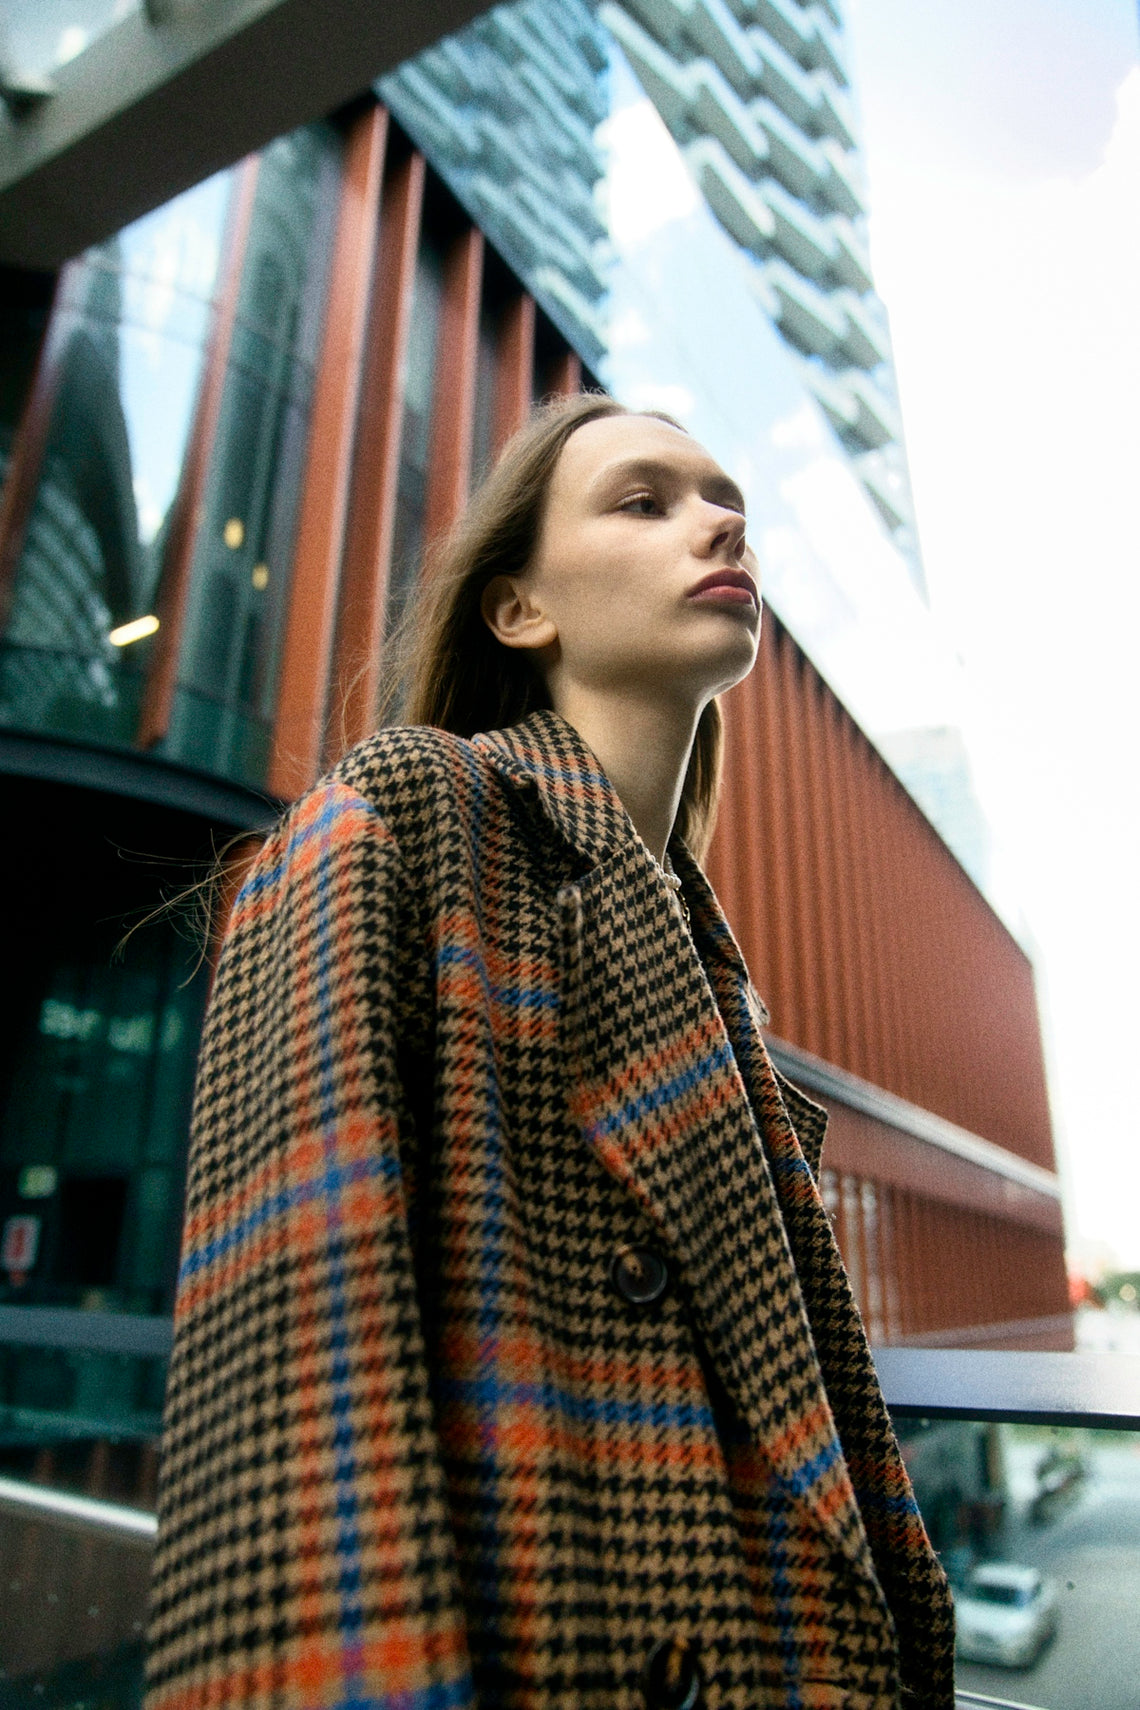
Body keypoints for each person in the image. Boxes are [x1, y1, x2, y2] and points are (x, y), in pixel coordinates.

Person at [146, 394, 955, 1710]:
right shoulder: (409, 811)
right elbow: (291, 1410)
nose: (717, 521)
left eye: (723, 500)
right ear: (520, 608)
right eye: (647, 501)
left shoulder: (705, 953)